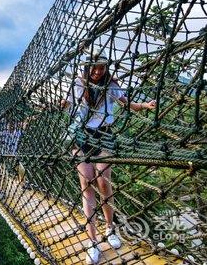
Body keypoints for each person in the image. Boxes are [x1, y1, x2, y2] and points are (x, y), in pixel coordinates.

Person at [62, 48, 156, 264]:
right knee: (87, 187)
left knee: (104, 182)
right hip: (81, 137)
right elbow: (67, 104)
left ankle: (110, 228)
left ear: (106, 68)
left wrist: (144, 105)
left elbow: (125, 102)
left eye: (101, 67)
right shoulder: (78, 84)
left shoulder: (111, 85)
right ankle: (93, 242)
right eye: (94, 67)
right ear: (87, 67)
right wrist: (57, 105)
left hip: (104, 135)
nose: (97, 71)